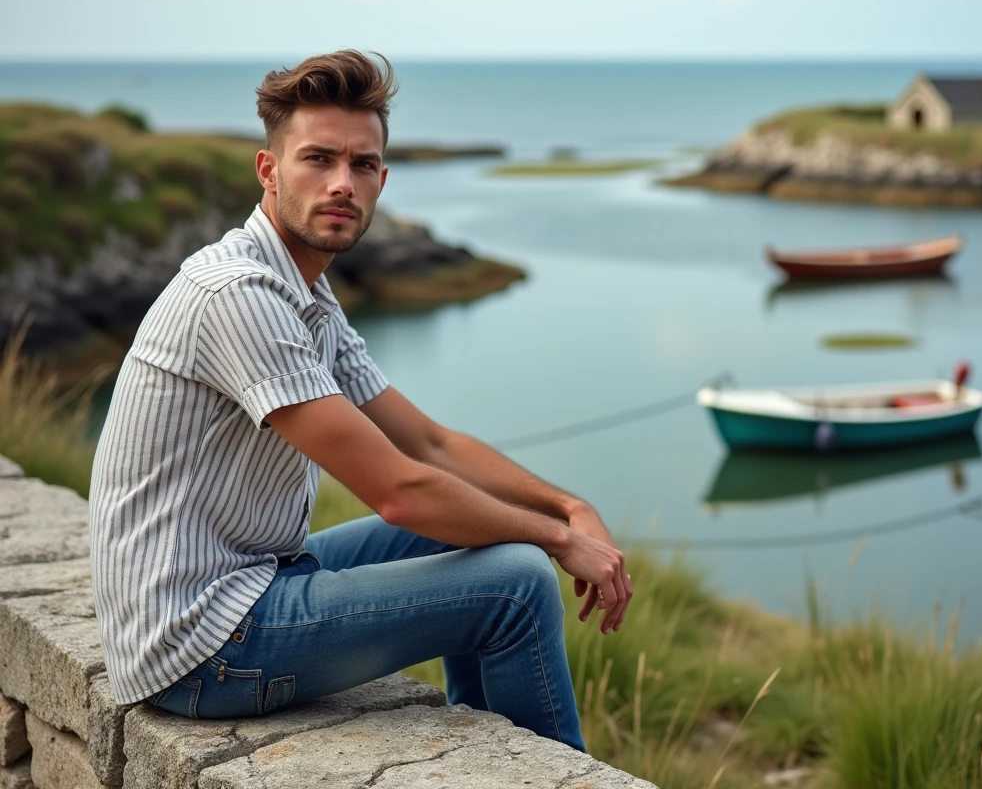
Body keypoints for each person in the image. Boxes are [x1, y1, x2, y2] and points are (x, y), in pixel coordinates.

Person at [87, 50, 632, 753]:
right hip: (200, 647)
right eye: (318, 159)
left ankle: (490, 755)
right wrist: (558, 541)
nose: (342, 184)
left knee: (497, 532)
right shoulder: (238, 296)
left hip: (253, 582)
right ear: (268, 170)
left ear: (381, 179)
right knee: (519, 582)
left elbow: (430, 444)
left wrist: (565, 507)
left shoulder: (306, 295)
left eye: (363, 164)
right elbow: (400, 491)